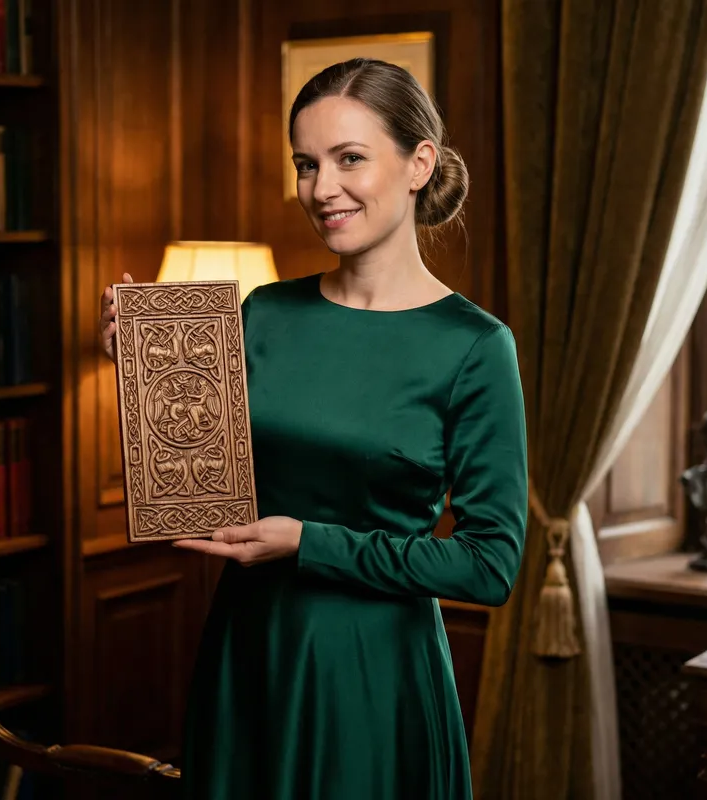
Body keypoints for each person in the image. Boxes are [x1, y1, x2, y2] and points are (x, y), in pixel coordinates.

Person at [99, 57, 527, 800]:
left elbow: (489, 565)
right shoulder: (264, 312)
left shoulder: (474, 346)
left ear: (419, 163)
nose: (320, 188)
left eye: (349, 159)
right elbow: (202, 470)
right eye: (306, 163)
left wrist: (309, 543)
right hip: (246, 654)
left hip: (371, 674)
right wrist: (144, 363)